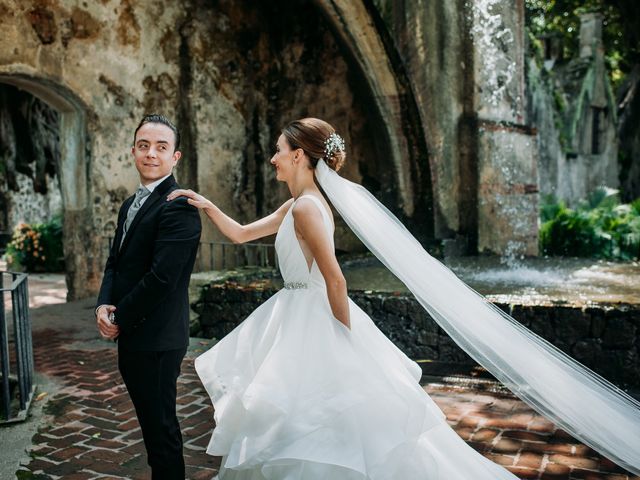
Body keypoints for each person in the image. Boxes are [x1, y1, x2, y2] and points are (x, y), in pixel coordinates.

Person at [169, 117, 640, 479]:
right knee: (303, 417)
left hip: (313, 317)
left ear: (299, 157)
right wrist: (206, 205)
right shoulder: (294, 205)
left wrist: (342, 335)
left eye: (278, 151)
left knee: (316, 415)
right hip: (293, 314)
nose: (272, 159)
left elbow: (335, 280)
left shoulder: (309, 210)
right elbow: (241, 233)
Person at [96, 114, 202, 480]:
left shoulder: (180, 206)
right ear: (133, 151)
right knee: (152, 429)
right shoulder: (131, 204)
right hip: (133, 335)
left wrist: (120, 317)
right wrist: (103, 305)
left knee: (162, 434)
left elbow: (162, 279)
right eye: (144, 146)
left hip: (157, 338)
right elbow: (116, 262)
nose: (151, 154)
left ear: (176, 157)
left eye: (161, 147)